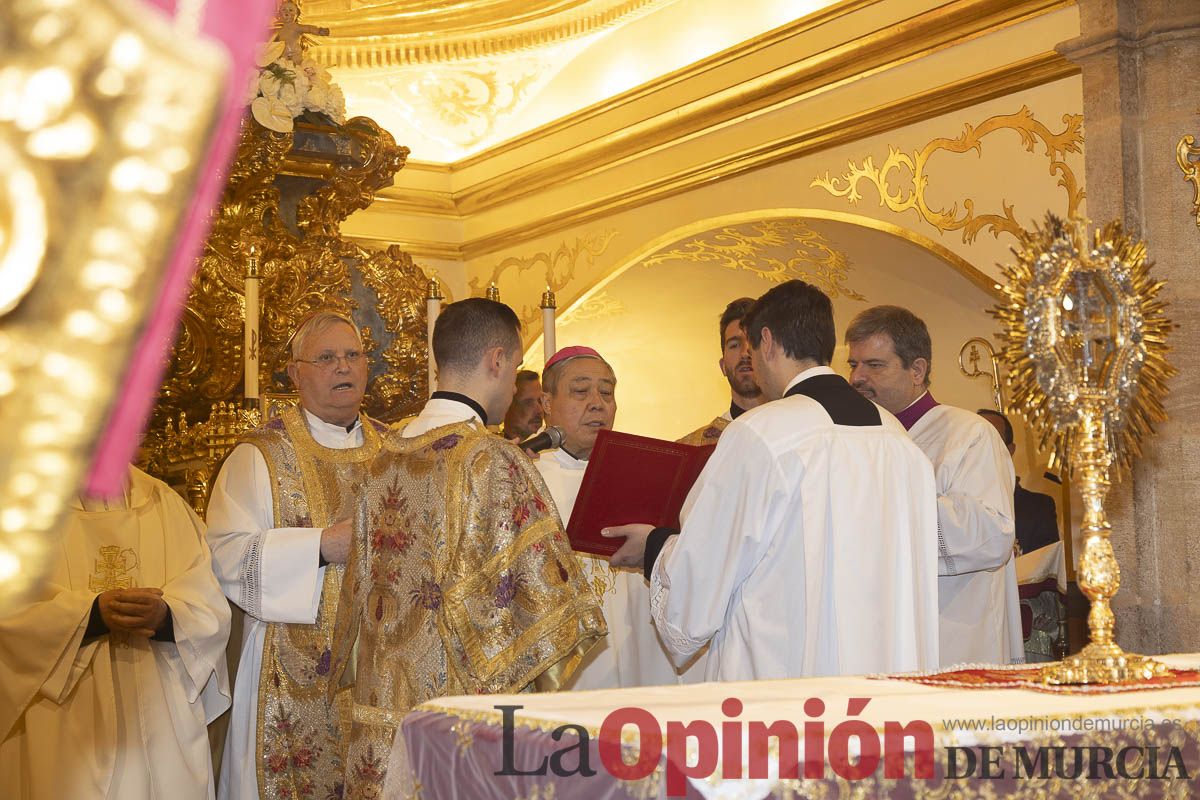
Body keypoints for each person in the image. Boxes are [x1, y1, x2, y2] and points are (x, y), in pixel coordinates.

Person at [332, 299, 606, 799]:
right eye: (516, 366)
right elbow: (544, 608)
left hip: (382, 713)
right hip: (457, 724)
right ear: (497, 361)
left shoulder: (379, 459)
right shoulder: (491, 459)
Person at [606, 280, 940, 680]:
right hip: (883, 686)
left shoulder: (762, 433)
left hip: (787, 695)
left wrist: (654, 546)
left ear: (765, 341)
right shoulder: (898, 440)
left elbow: (696, 590)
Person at [207, 311, 387, 800]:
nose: (343, 367)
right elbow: (225, 556)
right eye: (326, 358)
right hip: (288, 673)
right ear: (295, 373)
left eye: (352, 356)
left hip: (382, 669)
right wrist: (321, 547)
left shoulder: (396, 451)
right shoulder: (259, 454)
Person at [1, 466, 231, 799]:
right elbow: (10, 611)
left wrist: (167, 616)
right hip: (61, 722)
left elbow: (207, 605)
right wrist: (91, 615)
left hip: (158, 715)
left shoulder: (161, 502)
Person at [845, 305, 1022, 666]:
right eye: (853, 364)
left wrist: (886, 501)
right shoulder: (858, 441)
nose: (858, 377)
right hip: (881, 642)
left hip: (955, 644)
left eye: (874, 365)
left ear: (917, 370)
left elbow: (992, 534)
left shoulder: (969, 434)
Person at [535, 346, 683, 688]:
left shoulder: (646, 476)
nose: (597, 403)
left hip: (642, 660)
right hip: (571, 672)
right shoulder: (525, 481)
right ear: (545, 403)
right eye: (580, 391)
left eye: (606, 392)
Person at [678, 297, 766, 445]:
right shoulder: (693, 448)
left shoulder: (797, 434)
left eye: (752, 341)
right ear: (723, 366)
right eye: (734, 345)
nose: (745, 353)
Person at [977, 409, 1060, 555]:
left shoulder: (1038, 508)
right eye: (975, 440)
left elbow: (1043, 570)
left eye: (991, 440)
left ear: (1010, 450)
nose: (981, 448)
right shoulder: (953, 503)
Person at [500, 369, 543, 441]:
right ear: (507, 406)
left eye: (540, 401)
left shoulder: (550, 450)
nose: (540, 410)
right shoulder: (491, 450)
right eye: (528, 403)